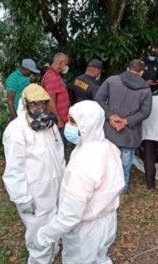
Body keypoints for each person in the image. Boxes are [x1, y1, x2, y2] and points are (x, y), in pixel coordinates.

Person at [36, 101, 125, 263]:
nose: (69, 126)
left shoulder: (84, 163)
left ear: (88, 124)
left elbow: (70, 215)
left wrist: (44, 235)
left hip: (86, 231)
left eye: (73, 122)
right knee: (100, 258)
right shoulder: (109, 147)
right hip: (108, 220)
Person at [2, 84, 65, 264]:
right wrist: (21, 197)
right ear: (26, 104)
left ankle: (52, 255)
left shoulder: (49, 125)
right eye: (35, 105)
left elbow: (59, 155)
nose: (40, 108)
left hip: (55, 186)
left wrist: (65, 180)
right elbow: (14, 167)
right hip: (35, 192)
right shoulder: (16, 130)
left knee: (54, 226)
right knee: (38, 234)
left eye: (43, 104)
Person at [95, 59, 152, 193]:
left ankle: (104, 186)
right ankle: (123, 187)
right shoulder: (146, 90)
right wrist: (126, 121)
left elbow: (98, 98)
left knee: (106, 161)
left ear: (128, 68)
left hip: (110, 129)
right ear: (142, 72)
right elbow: (146, 112)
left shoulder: (112, 80)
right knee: (125, 164)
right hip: (130, 133)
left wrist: (111, 116)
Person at [42, 52, 70, 141]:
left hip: (60, 120)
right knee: (59, 149)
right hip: (57, 122)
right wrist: (59, 120)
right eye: (65, 64)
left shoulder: (55, 75)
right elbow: (50, 102)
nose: (66, 67)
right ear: (60, 63)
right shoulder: (52, 77)